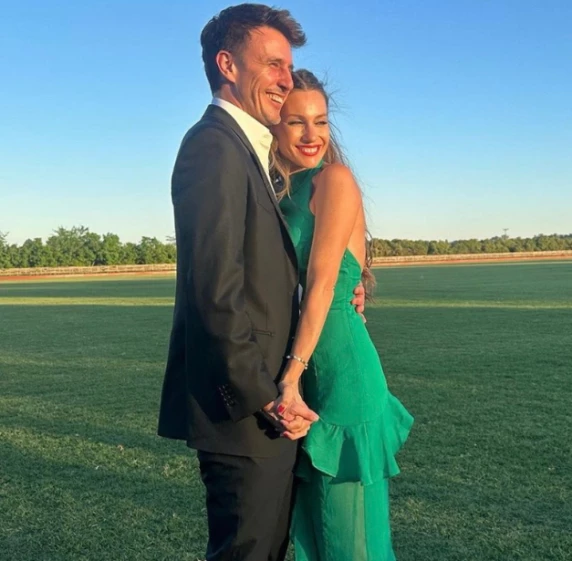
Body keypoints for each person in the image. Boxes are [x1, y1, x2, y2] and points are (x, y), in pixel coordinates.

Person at [156, 5, 365, 561]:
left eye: (288, 66)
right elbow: (215, 292)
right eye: (272, 64)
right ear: (227, 64)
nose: (284, 78)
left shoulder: (251, 152)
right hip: (247, 410)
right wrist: (267, 397)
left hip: (267, 405)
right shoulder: (213, 145)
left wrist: (350, 285)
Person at [270, 69, 414, 561]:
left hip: (341, 380)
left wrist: (290, 378)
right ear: (274, 124)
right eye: (296, 122)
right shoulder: (279, 190)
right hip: (309, 374)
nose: (312, 135)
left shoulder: (333, 179)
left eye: (321, 121)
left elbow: (324, 287)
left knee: (350, 542)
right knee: (315, 538)